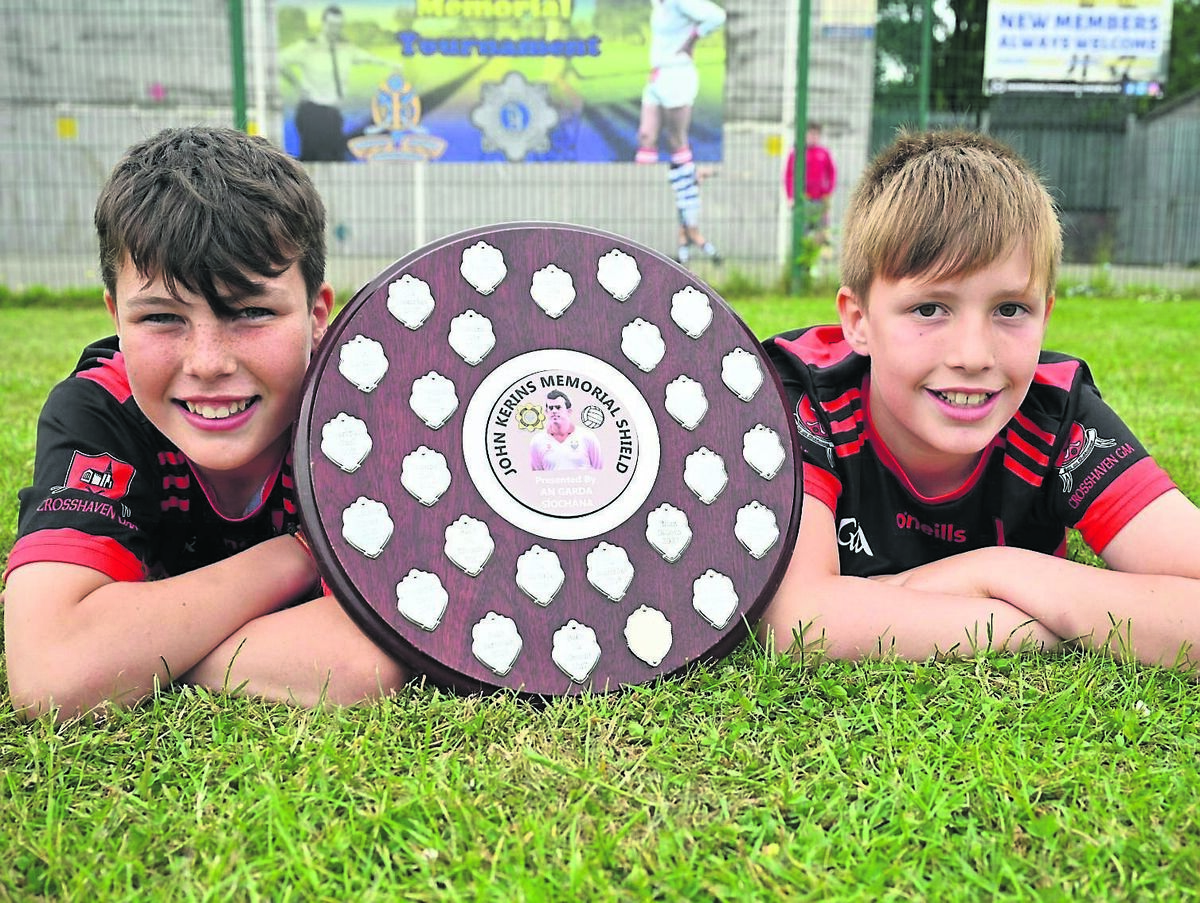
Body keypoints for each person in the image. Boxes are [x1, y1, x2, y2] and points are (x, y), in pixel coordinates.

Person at [3, 126, 407, 721]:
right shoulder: (99, 411)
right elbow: (53, 670)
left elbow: (365, 662)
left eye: (251, 312)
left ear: (317, 316)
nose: (209, 363)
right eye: (162, 318)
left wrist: (140, 650)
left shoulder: (366, 410)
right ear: (117, 317)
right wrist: (301, 554)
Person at [759, 129, 1200, 669]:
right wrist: (1035, 622)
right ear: (858, 322)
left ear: (1046, 315)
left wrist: (1007, 570)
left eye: (1010, 310)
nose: (973, 355)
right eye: (929, 309)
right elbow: (795, 621)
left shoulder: (1056, 417)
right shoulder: (803, 399)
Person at [634, 0, 726, 265]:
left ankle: (687, 211)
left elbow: (716, 16)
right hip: (657, 74)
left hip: (677, 74)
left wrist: (693, 39)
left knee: (676, 141)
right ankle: (647, 203)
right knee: (645, 136)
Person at [279, 5, 397, 161]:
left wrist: (391, 64)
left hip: (333, 114)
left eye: (338, 26)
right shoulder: (309, 47)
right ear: (323, 24)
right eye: (331, 25)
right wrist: (296, 84)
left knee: (335, 158)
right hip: (311, 112)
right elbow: (280, 60)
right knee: (311, 159)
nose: (334, 29)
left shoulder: (346, 49)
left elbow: (368, 57)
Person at [784, 121, 837, 248]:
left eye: (816, 134)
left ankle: (815, 263)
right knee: (802, 235)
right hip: (803, 200)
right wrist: (791, 197)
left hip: (820, 200)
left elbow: (832, 173)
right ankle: (801, 264)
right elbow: (789, 176)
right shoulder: (796, 153)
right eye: (810, 134)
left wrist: (828, 191)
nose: (813, 137)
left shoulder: (824, 153)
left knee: (821, 234)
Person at [529, 391, 603, 471]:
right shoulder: (537, 441)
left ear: (569, 411)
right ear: (546, 412)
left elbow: (599, 471)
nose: (554, 411)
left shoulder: (587, 437)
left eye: (558, 407)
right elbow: (537, 476)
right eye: (550, 408)